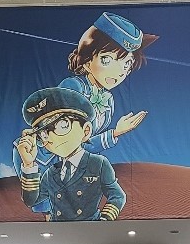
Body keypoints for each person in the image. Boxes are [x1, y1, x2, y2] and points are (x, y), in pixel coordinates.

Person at [16, 87, 125, 222]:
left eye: (62, 125)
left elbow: (117, 196)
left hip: (90, 228)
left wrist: (104, 220)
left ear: (86, 130)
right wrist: (28, 164)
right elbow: (31, 201)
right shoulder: (51, 172)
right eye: (43, 133)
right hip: (58, 230)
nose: (51, 137)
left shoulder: (98, 164)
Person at [59, 12, 158, 154]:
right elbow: (65, 144)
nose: (119, 72)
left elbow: (87, 146)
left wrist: (117, 132)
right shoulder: (74, 87)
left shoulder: (108, 100)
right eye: (107, 60)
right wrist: (115, 133)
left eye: (127, 64)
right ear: (87, 62)